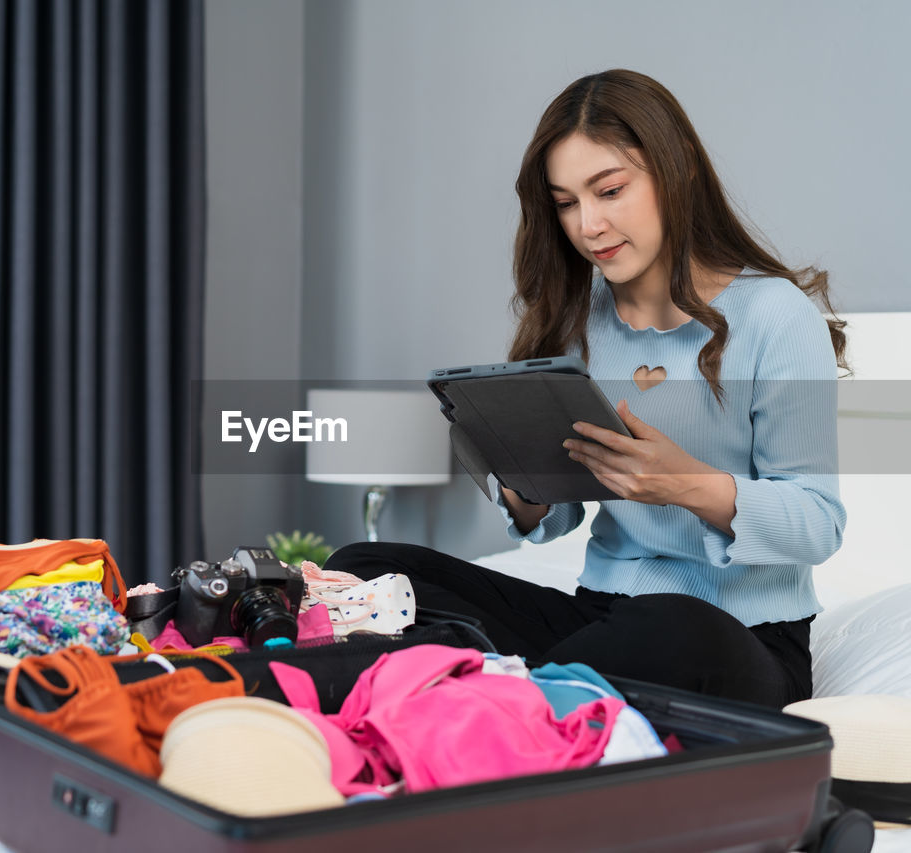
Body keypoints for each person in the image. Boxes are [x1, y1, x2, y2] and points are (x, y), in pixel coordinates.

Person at [325, 69, 848, 709]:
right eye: (567, 203)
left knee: (675, 626)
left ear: (676, 172)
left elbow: (818, 524)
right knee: (365, 567)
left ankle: (466, 689)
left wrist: (684, 484)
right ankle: (515, 691)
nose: (589, 225)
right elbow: (563, 506)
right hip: (599, 617)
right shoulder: (580, 318)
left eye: (609, 191)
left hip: (738, 637)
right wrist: (523, 493)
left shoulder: (775, 316)